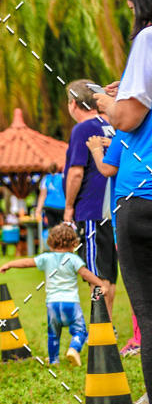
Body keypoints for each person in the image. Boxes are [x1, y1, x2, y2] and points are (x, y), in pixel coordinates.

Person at [92, 0, 152, 404]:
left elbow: (130, 119)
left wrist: (105, 102)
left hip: (143, 198)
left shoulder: (148, 40)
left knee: (150, 317)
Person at [1, 223, 109, 366]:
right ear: (73, 243)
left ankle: (53, 361)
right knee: (80, 331)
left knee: (53, 335)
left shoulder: (46, 258)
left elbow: (27, 262)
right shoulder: (73, 259)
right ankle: (73, 349)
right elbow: (85, 274)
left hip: (52, 304)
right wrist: (100, 284)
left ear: (51, 242)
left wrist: (10, 264)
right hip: (70, 303)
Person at [63, 80, 117, 317]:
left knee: (95, 273)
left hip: (92, 209)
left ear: (73, 103)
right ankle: (108, 325)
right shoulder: (111, 124)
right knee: (108, 272)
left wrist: (68, 207)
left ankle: (101, 327)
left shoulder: (82, 129)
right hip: (112, 207)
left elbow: (76, 172)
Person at [86, 132, 141, 358]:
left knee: (137, 284)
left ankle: (139, 338)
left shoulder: (127, 128)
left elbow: (108, 169)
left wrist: (96, 149)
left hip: (129, 213)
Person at [35, 162, 66, 229]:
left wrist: (38, 210)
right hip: (62, 206)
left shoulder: (45, 179)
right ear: (57, 169)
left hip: (49, 207)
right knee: (63, 228)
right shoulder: (63, 177)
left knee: (52, 229)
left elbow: (42, 196)